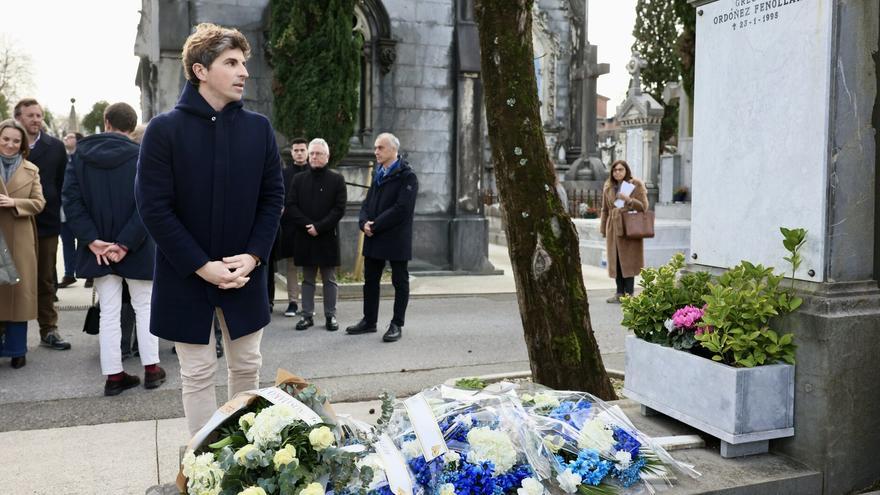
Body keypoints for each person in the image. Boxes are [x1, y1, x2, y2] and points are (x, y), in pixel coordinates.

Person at [135, 23, 284, 435]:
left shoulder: (258, 130)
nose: (243, 73)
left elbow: (273, 199)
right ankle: (206, 465)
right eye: (231, 63)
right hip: (186, 275)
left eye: (243, 63)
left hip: (245, 274)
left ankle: (246, 456)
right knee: (198, 372)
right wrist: (201, 265)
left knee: (247, 367)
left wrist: (254, 256)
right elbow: (153, 207)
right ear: (200, 70)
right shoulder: (164, 130)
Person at [63, 102, 165, 395]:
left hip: (97, 247)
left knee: (108, 312)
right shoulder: (142, 156)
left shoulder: (79, 156)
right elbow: (148, 204)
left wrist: (92, 239)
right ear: (132, 127)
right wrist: (125, 243)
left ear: (106, 121)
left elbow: (71, 202)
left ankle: (114, 376)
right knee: (145, 307)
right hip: (137, 245)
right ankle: (151, 369)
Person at [346, 132, 418, 343]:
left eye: (380, 148)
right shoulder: (378, 173)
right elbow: (367, 203)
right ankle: (369, 321)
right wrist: (363, 222)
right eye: (376, 147)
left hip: (395, 237)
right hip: (374, 236)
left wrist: (374, 225)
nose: (376, 151)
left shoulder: (407, 176)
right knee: (370, 281)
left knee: (399, 281)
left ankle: (397, 324)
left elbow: (401, 209)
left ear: (393, 150)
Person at [14, 99, 71, 350]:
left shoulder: (56, 147)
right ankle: (8, 333)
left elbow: (61, 184)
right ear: (18, 118)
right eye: (30, 115)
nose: (36, 119)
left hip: (46, 224)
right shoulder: (8, 143)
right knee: (9, 278)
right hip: (11, 224)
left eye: (39, 115)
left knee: (45, 278)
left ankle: (49, 329)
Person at [0, 119, 46, 369]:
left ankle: (17, 349)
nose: (10, 144)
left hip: (20, 238)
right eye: (5, 138)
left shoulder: (31, 170)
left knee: (19, 295)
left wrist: (15, 204)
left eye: (16, 141)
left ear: (22, 144)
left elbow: (39, 203)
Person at [287, 138, 346, 331]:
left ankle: (331, 316)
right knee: (307, 279)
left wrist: (319, 227)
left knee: (329, 279)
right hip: (305, 236)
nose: (313, 157)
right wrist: (308, 225)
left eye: (318, 153)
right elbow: (291, 206)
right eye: (311, 153)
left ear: (327, 157)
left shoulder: (337, 179)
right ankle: (306, 315)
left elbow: (339, 209)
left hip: (327, 236)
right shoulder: (298, 179)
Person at [599, 160, 648, 303]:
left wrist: (629, 200)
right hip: (613, 227)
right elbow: (605, 210)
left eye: (620, 169)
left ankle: (630, 294)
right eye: (615, 170)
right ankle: (619, 293)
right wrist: (603, 229)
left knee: (628, 260)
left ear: (626, 170)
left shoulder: (635, 185)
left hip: (628, 226)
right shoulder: (608, 187)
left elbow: (643, 207)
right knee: (616, 261)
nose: (617, 172)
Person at [276, 138, 309, 317]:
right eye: (296, 150)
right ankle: (293, 302)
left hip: (311, 226)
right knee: (292, 266)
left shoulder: (315, 171)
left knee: (310, 267)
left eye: (302, 150)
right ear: (292, 153)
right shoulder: (284, 174)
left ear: (307, 151)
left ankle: (308, 303)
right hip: (290, 226)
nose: (299, 153)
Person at [58, 132, 83, 288]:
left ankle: (90, 275)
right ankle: (69, 274)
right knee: (67, 242)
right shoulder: (63, 158)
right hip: (63, 207)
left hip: (80, 208)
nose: (66, 138)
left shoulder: (83, 158)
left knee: (85, 241)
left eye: (70, 136)